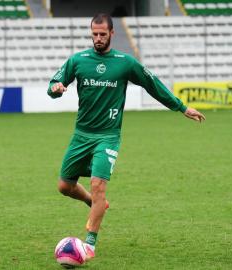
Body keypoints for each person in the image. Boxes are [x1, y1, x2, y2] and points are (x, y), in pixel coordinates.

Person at [47, 13, 205, 261]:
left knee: (99, 185)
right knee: (64, 186)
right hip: (82, 135)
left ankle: (89, 244)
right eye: (94, 34)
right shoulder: (78, 61)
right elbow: (55, 82)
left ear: (112, 33)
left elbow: (153, 84)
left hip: (108, 136)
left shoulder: (125, 62)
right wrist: (55, 88)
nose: (98, 38)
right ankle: (93, 202)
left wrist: (181, 107)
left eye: (102, 34)